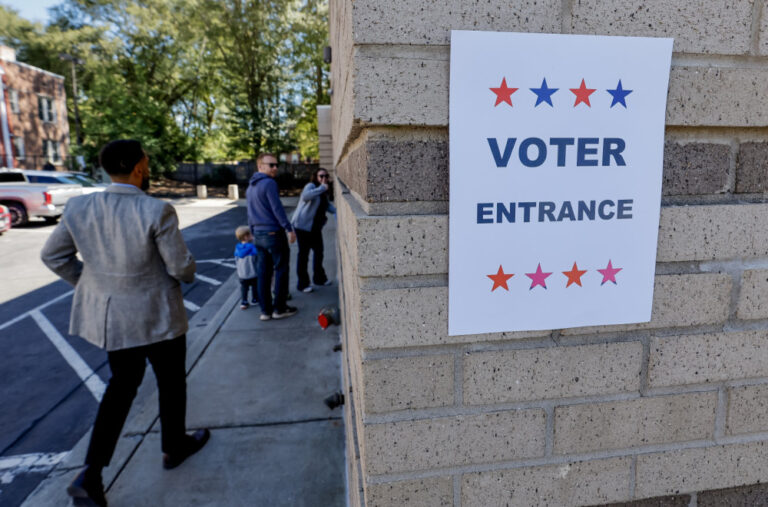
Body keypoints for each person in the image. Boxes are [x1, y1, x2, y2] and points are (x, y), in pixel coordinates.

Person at [40, 140, 210, 507]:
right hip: (160, 318)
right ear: (138, 168)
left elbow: (53, 256)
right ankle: (173, 446)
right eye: (146, 164)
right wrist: (189, 269)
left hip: (115, 321)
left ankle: (91, 473)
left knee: (120, 390)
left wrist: (94, 283)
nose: (147, 170)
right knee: (170, 383)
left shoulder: (81, 207)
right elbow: (181, 267)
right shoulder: (157, 210)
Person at [246, 153, 298, 321]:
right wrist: (289, 228)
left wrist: (253, 233)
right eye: (271, 165)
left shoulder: (250, 187)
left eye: (276, 165)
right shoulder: (269, 183)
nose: (275, 168)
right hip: (273, 234)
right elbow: (277, 209)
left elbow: (250, 213)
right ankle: (279, 309)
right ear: (260, 166)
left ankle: (265, 311)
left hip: (259, 235)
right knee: (281, 270)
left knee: (263, 274)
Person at [291, 168, 336, 292]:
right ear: (315, 177)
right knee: (303, 255)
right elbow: (305, 196)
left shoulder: (324, 190)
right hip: (302, 227)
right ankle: (303, 284)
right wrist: (322, 187)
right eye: (321, 176)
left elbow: (326, 205)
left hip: (315, 228)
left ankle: (319, 279)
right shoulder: (311, 186)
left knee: (319, 253)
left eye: (326, 176)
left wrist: (337, 213)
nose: (324, 178)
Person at [234, 225, 259, 310]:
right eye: (251, 234)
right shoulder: (252, 247)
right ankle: (255, 299)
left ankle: (244, 302)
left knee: (244, 288)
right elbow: (257, 257)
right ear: (246, 236)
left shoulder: (237, 248)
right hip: (253, 272)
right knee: (255, 286)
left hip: (242, 274)